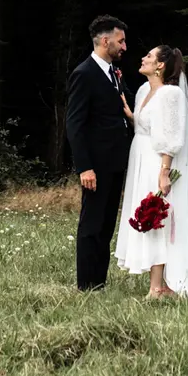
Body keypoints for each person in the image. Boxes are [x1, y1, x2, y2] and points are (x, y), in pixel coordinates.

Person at [114, 45, 188, 311]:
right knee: (147, 216)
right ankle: (158, 284)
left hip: (157, 161)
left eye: (149, 57)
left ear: (160, 66)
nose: (143, 58)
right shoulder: (144, 91)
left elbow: (171, 135)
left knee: (157, 217)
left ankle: (159, 286)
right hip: (139, 158)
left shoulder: (171, 94)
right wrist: (129, 114)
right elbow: (146, 125)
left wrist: (164, 171)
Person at [65, 15, 132, 291]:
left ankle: (99, 282)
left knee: (106, 224)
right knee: (91, 223)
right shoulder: (84, 74)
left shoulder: (114, 74)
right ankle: (86, 284)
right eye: (121, 40)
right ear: (106, 41)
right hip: (96, 165)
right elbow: (75, 124)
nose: (124, 47)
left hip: (115, 163)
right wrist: (84, 167)